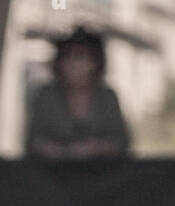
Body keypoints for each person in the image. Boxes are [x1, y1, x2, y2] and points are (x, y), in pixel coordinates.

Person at [26, 25, 129, 159]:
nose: (74, 64)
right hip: (52, 173)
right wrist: (51, 149)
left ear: (95, 62)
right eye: (67, 56)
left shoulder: (107, 97)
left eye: (81, 56)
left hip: (101, 173)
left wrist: (96, 147)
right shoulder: (46, 95)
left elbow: (122, 143)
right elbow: (32, 141)